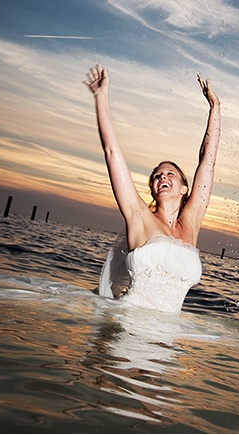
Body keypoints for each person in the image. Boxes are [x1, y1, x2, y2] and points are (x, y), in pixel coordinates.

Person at [84, 64, 221, 312]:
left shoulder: (192, 222)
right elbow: (112, 152)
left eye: (170, 173)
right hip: (129, 329)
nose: (162, 176)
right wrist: (101, 96)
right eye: (157, 175)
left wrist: (215, 109)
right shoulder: (139, 216)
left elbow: (208, 162)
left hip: (168, 340)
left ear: (183, 188)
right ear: (153, 188)